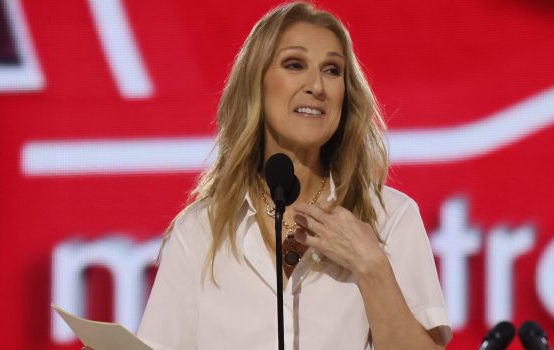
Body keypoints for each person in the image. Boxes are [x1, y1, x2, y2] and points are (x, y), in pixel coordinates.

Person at [136, 2, 453, 349]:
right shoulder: (199, 231)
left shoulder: (390, 218)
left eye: (332, 70)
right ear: (257, 83)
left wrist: (372, 268)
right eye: (294, 64)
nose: (316, 85)